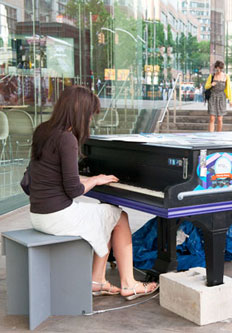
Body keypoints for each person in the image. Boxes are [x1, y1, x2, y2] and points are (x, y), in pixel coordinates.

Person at [28, 86, 159, 300]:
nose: (90, 120)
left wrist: (87, 179)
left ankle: (97, 281)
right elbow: (73, 190)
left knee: (103, 215)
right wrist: (96, 179)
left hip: (38, 215)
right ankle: (129, 283)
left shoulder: (43, 130)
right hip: (57, 217)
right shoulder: (66, 138)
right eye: (89, 114)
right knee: (120, 217)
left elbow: (48, 176)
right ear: (80, 113)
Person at [204, 60, 232, 132]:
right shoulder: (212, 76)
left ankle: (218, 134)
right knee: (212, 118)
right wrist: (211, 84)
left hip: (221, 97)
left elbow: (228, 88)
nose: (218, 70)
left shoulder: (226, 76)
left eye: (220, 68)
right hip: (213, 97)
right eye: (217, 68)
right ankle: (211, 135)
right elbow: (206, 86)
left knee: (220, 119)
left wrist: (230, 99)